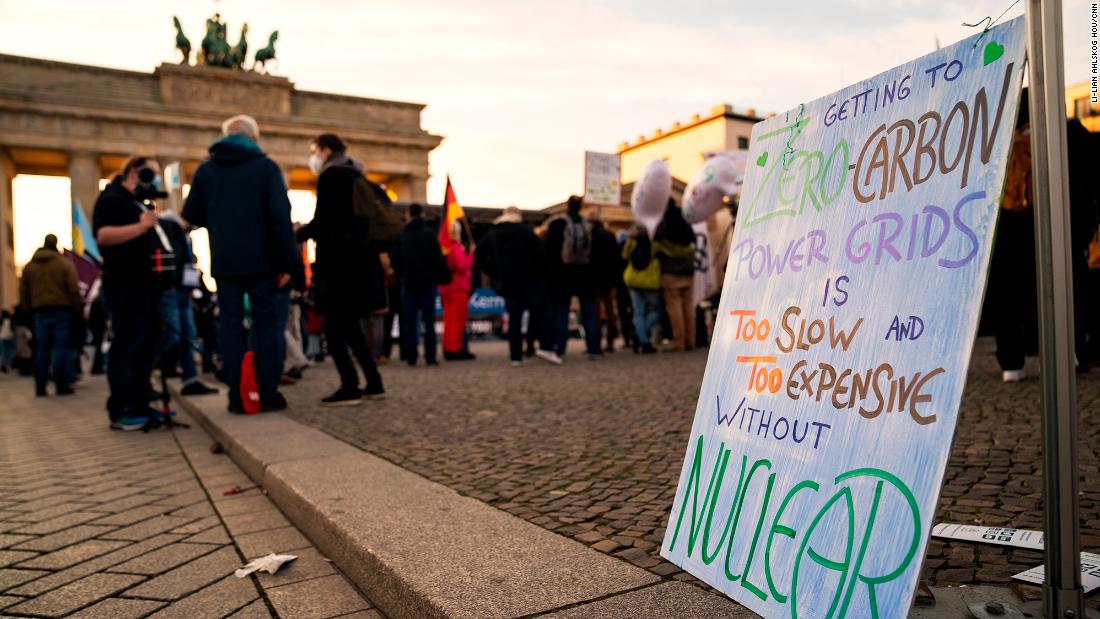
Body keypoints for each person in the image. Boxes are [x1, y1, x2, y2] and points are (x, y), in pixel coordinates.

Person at [182, 115, 295, 413]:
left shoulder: (206, 170)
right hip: (263, 261)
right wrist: (287, 263)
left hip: (226, 260)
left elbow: (191, 213)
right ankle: (266, 392)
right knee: (266, 326)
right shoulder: (266, 168)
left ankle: (236, 395)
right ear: (254, 139)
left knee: (230, 327)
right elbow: (280, 217)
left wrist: (219, 220)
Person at [295, 133, 386, 405]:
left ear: (324, 150)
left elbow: (323, 220)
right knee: (352, 329)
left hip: (339, 268)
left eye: (314, 150)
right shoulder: (357, 176)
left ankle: (350, 386)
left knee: (333, 330)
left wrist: (297, 234)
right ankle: (374, 383)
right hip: (361, 267)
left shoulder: (331, 177)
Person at [93, 156, 165, 430]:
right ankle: (121, 409)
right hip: (124, 287)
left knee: (146, 349)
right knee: (126, 348)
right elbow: (104, 236)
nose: (154, 178)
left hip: (146, 287)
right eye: (150, 172)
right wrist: (142, 226)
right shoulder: (112, 199)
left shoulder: (136, 201)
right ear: (133, 171)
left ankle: (140, 404)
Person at [475, 206, 547, 366]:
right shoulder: (526, 232)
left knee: (514, 319)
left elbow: (478, 255)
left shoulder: (493, 234)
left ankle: (515, 357)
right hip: (527, 282)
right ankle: (530, 344)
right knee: (535, 313)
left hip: (506, 283)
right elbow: (541, 255)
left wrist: (494, 272)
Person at [158, 212, 218, 396]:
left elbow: (186, 260)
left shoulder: (183, 234)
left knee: (188, 334)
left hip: (183, 290)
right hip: (171, 290)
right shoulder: (167, 225)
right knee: (173, 334)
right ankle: (145, 368)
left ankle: (190, 379)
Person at [539, 195, 601, 364]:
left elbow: (549, 253)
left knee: (561, 313)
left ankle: (560, 349)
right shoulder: (590, 226)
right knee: (589, 313)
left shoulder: (557, 225)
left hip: (563, 276)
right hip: (586, 275)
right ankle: (594, 348)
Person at [19, 234, 82, 396]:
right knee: (60, 349)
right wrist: (77, 309)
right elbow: (74, 289)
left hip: (39, 311)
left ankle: (40, 387)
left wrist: (27, 310)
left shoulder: (29, 267)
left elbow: (24, 291)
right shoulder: (64, 264)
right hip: (62, 310)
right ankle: (61, 385)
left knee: (42, 350)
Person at [397, 203, 445, 367]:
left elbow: (396, 260)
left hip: (409, 283)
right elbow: (438, 259)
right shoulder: (429, 234)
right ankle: (430, 357)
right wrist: (439, 277)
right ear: (422, 214)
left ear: (408, 214)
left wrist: (401, 276)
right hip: (427, 284)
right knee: (429, 321)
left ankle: (411, 357)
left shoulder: (402, 235)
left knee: (410, 322)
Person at [654, 199, 697, 352]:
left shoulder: (663, 223)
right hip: (688, 270)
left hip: (670, 271)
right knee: (688, 306)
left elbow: (655, 242)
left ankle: (679, 341)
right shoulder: (684, 219)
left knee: (674, 307)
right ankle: (691, 341)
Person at [622, 225, 661, 354]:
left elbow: (624, 255)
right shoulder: (655, 243)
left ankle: (641, 336)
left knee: (638, 312)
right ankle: (641, 335)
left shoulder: (631, 242)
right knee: (657, 310)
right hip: (650, 281)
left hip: (633, 279)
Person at [440, 221, 475, 361]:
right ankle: (455, 349)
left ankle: (448, 347)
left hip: (447, 289)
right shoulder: (455, 248)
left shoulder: (445, 248)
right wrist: (472, 254)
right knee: (457, 321)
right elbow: (462, 266)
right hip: (458, 289)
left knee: (449, 321)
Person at [591, 217, 621, 353]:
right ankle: (610, 341)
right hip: (609, 278)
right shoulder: (610, 235)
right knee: (610, 311)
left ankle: (595, 343)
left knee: (596, 312)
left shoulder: (590, 236)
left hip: (595, 278)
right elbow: (616, 257)